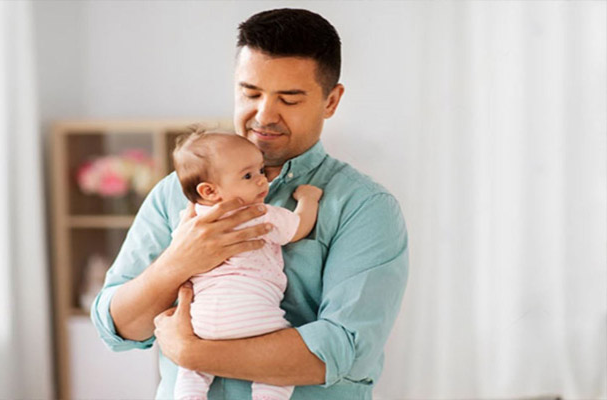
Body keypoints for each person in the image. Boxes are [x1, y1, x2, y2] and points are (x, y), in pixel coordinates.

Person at [91, 8, 409, 400]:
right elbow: (117, 328)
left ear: (331, 101)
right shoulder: (176, 192)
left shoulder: (365, 207)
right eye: (251, 93)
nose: (264, 115)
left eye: (289, 99)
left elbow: (343, 349)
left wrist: (192, 353)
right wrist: (179, 261)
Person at [171, 130, 323, 400]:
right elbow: (298, 228)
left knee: (191, 372)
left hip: (200, 323)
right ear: (209, 190)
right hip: (252, 317)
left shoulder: (191, 222)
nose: (262, 180)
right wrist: (307, 199)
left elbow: (176, 250)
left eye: (260, 170)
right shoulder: (256, 214)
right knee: (281, 361)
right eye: (248, 176)